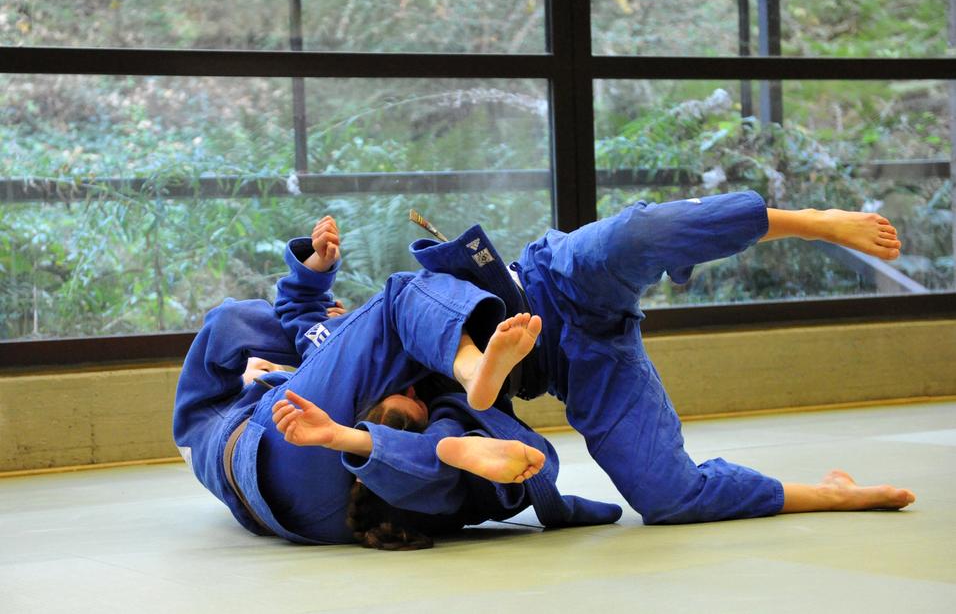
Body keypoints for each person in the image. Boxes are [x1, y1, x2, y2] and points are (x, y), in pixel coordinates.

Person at [398, 190, 915, 524]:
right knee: (667, 497)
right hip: (577, 363)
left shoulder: (371, 339)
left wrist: (313, 276)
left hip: (554, 277)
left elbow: (324, 321)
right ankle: (830, 493)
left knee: (641, 233)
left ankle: (811, 221)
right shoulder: (421, 436)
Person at [173, 216, 620, 546]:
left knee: (463, 425)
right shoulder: (229, 419)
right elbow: (260, 324)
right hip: (321, 467)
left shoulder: (234, 418)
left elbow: (289, 318)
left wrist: (313, 276)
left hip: (333, 503)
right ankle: (465, 376)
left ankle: (440, 430)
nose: (405, 386)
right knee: (402, 299)